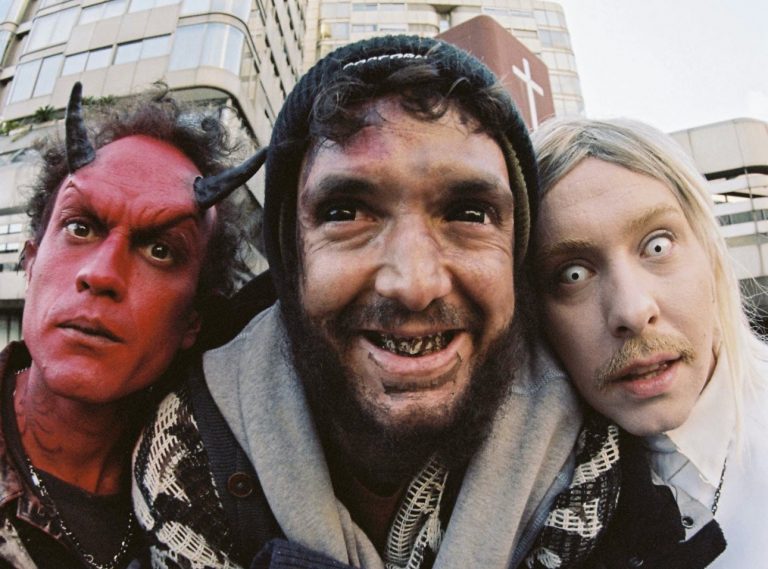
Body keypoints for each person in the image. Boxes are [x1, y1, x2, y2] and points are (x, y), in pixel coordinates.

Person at [133, 36, 627, 569]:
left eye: (469, 213)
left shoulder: (595, 452)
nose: (415, 285)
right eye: (345, 213)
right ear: (292, 261)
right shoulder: (187, 449)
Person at [0, 82, 264, 568]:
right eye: (80, 227)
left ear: (192, 319)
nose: (101, 274)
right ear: (31, 261)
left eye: (160, 250)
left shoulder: (228, 501)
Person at [530, 116, 768, 567]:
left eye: (657, 246)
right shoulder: (520, 506)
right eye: (573, 274)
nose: (632, 311)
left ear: (710, 253)